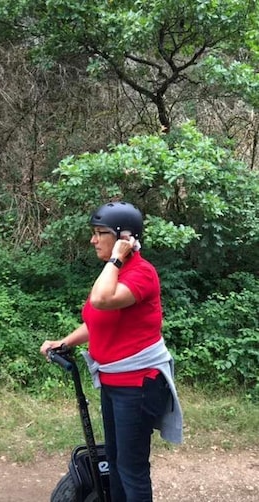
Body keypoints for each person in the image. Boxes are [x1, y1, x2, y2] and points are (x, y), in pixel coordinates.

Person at [40, 201, 183, 502]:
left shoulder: (141, 273)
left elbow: (103, 300)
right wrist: (63, 343)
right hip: (114, 383)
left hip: (139, 385)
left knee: (131, 469)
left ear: (123, 238)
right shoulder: (115, 274)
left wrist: (116, 259)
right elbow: (97, 322)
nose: (92, 240)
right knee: (116, 464)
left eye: (99, 233)